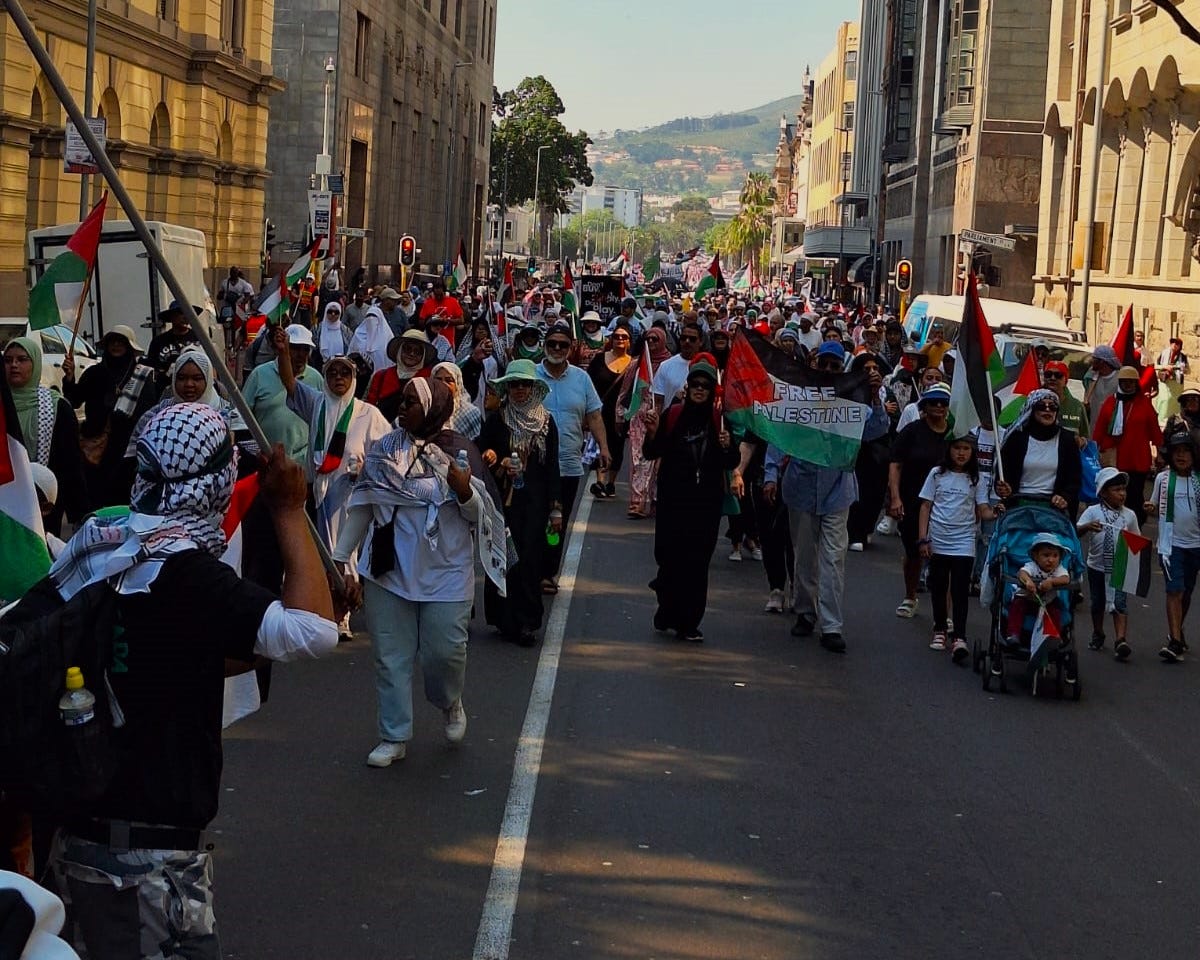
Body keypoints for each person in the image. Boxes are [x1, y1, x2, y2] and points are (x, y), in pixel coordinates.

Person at [47, 403, 337, 960]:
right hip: (153, 869)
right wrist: (289, 508)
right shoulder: (188, 574)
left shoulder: (98, 545)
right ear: (215, 482)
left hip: (75, 848)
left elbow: (171, 657)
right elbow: (315, 631)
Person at [333, 378, 495, 766]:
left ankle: (450, 702)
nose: (402, 408)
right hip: (388, 573)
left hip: (446, 575)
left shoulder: (459, 451)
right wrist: (340, 560)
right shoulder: (385, 451)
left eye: (411, 402)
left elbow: (482, 516)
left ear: (434, 409)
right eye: (402, 401)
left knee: (444, 656)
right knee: (390, 658)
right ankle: (393, 736)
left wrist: (463, 491)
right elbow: (364, 505)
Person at [765, 341, 890, 652]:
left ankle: (832, 625)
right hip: (800, 488)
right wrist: (770, 474)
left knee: (833, 559)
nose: (829, 370)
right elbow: (779, 434)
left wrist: (874, 396)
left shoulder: (851, 400)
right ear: (814, 364)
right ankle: (805, 612)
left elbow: (875, 430)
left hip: (838, 490)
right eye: (824, 364)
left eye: (835, 366)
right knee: (804, 556)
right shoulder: (798, 397)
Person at [642, 356, 738, 642]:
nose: (699, 390)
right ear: (688, 386)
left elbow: (730, 461)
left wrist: (728, 446)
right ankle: (667, 608)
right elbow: (651, 452)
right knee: (670, 560)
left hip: (705, 505)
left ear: (711, 391)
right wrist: (652, 434)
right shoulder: (673, 415)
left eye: (705, 386)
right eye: (695, 384)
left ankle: (689, 622)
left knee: (697, 564)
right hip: (673, 502)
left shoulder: (720, 421)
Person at [477, 360, 562, 646]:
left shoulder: (546, 423)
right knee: (505, 557)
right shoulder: (497, 419)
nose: (520, 390)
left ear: (534, 388)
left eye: (525, 384)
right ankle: (504, 619)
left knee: (529, 560)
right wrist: (495, 459)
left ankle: (527, 621)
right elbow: (482, 453)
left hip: (535, 504)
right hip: (503, 502)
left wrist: (556, 509)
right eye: (514, 384)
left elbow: (552, 467)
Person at [537, 323, 609, 592]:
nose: (557, 349)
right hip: (536, 464)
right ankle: (531, 568)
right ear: (545, 345)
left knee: (557, 521)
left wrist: (604, 447)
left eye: (563, 345)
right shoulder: (531, 376)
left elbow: (594, 415)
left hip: (568, 464)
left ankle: (548, 571)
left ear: (571, 348)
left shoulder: (581, 379)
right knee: (535, 518)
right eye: (552, 343)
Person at [60, 325, 159, 509]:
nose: (116, 346)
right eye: (112, 342)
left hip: (128, 447)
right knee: (97, 496)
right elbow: (74, 400)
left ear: (129, 347)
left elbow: (148, 410)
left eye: (121, 342)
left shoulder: (142, 375)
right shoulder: (94, 372)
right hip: (97, 447)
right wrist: (70, 378)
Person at [918, 434, 993, 662]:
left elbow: (983, 510)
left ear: (972, 453)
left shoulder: (976, 479)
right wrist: (923, 538)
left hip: (964, 542)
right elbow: (925, 506)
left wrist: (996, 511)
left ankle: (959, 636)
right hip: (939, 540)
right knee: (939, 587)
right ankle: (940, 629)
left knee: (960, 590)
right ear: (949, 449)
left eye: (966, 449)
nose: (961, 453)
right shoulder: (937, 474)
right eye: (957, 448)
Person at [3, 336, 85, 535]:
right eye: (8, 360)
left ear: (35, 364)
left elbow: (71, 462)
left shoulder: (56, 407)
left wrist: (79, 512)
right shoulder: (2, 404)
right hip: (4, 501)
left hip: (44, 505)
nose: (14, 365)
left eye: (22, 359)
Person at [889, 382, 953, 618]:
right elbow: (896, 464)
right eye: (933, 402)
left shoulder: (954, 434)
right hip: (913, 501)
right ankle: (910, 596)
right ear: (924, 406)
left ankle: (944, 613)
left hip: (945, 504)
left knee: (945, 558)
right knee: (914, 552)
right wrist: (895, 498)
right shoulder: (912, 431)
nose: (938, 406)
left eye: (943, 403)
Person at [1146, 429, 1200, 663]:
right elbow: (1155, 507)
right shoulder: (1163, 479)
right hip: (1171, 545)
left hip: (1196, 545)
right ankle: (1175, 641)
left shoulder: (1198, 480)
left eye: (1186, 451)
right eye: (1177, 451)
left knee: (1186, 591)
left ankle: (1178, 631)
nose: (1181, 456)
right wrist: (1150, 508)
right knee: (1174, 590)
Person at [1077, 467, 1140, 660]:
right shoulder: (1092, 512)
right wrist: (1087, 527)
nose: (1122, 494)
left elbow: (1137, 541)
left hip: (1119, 566)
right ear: (1103, 493)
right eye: (1116, 490)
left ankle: (1120, 640)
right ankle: (1098, 632)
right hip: (1096, 565)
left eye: (1123, 489)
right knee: (1097, 602)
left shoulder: (1129, 515)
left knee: (1119, 603)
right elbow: (1076, 531)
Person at [242, 323, 325, 464]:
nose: (301, 355)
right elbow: (242, 417)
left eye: (305, 349)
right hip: (265, 461)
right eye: (295, 348)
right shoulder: (259, 375)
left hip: (302, 463)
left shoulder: (316, 378)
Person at [994, 389, 1082, 515]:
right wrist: (1004, 488)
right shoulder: (1016, 438)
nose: (1047, 410)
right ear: (1032, 410)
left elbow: (1074, 478)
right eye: (1041, 406)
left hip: (1053, 509)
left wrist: (1065, 497)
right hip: (1018, 506)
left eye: (1052, 407)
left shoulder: (1067, 440)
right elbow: (1004, 473)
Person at [1094, 365, 1163, 523]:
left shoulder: (1144, 403)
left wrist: (1159, 453)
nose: (1128, 385)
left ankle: (1134, 529)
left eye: (1131, 382)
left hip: (1137, 461)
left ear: (1136, 383)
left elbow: (1154, 430)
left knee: (1134, 497)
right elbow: (1099, 430)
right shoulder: (1111, 402)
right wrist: (1094, 452)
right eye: (1125, 381)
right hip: (1114, 460)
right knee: (1112, 497)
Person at [846, 352, 894, 551]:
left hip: (876, 453)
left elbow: (881, 427)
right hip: (853, 451)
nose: (873, 372)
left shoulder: (884, 393)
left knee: (874, 493)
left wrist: (875, 399)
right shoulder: (848, 392)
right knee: (856, 493)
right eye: (867, 369)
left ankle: (866, 528)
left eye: (875, 368)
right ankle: (853, 533)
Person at [622, 327, 671, 519]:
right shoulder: (637, 364)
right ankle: (638, 502)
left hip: (664, 417)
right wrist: (620, 415)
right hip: (639, 418)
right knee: (639, 460)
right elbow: (625, 390)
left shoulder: (669, 364)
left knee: (659, 463)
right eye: (648, 339)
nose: (651, 343)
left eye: (655, 339)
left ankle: (655, 500)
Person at [587, 321, 632, 499]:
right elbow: (589, 383)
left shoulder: (633, 364)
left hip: (621, 415)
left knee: (617, 447)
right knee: (600, 444)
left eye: (624, 337)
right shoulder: (599, 359)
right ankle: (600, 481)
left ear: (629, 341)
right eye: (616, 336)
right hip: (599, 411)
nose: (620, 339)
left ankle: (611, 483)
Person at [1005, 533, 1071, 647]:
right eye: (1046, 555)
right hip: (1028, 599)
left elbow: (1066, 578)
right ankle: (1013, 633)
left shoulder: (1058, 569)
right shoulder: (1032, 566)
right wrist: (1028, 581)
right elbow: (1022, 573)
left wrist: (1052, 582)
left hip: (1048, 601)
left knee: (1056, 610)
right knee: (1017, 605)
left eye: (1055, 556)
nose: (1051, 560)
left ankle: (1054, 635)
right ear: (1036, 556)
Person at [366, 329, 438, 423]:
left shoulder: (429, 380)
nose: (412, 354)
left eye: (417, 351)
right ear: (400, 350)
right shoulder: (381, 376)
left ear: (423, 355)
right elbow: (369, 407)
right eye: (408, 349)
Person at [144, 301, 201, 387]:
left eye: (187, 313)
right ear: (171, 317)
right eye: (181, 313)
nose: (185, 317)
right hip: (166, 388)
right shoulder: (158, 341)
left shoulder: (199, 338)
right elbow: (151, 371)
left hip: (193, 388)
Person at [651, 323, 703, 407]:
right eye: (683, 338)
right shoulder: (665, 365)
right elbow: (658, 401)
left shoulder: (705, 366)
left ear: (700, 342)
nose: (687, 341)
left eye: (692, 339)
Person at [432, 361, 483, 440]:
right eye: (438, 379)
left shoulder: (470, 412)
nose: (443, 384)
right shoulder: (426, 409)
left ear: (457, 384)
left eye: (449, 380)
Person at [1042, 359, 1089, 442]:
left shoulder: (1077, 406)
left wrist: (1081, 441)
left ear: (1065, 380)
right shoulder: (1035, 403)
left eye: (1058, 375)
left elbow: (1085, 436)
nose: (1052, 378)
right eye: (1048, 374)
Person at [349, 304, 393, 374]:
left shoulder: (387, 337)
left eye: (374, 317)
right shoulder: (358, 335)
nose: (371, 319)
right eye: (369, 316)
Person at [1084, 344, 1121, 426]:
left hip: (1110, 427)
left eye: (1094, 359)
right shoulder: (1092, 377)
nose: (1091, 361)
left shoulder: (1120, 379)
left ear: (1102, 361)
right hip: (1092, 427)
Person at [313, 301, 351, 367]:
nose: (333, 314)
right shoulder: (317, 329)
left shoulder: (345, 330)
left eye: (336, 312)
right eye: (330, 311)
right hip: (320, 364)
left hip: (341, 364)